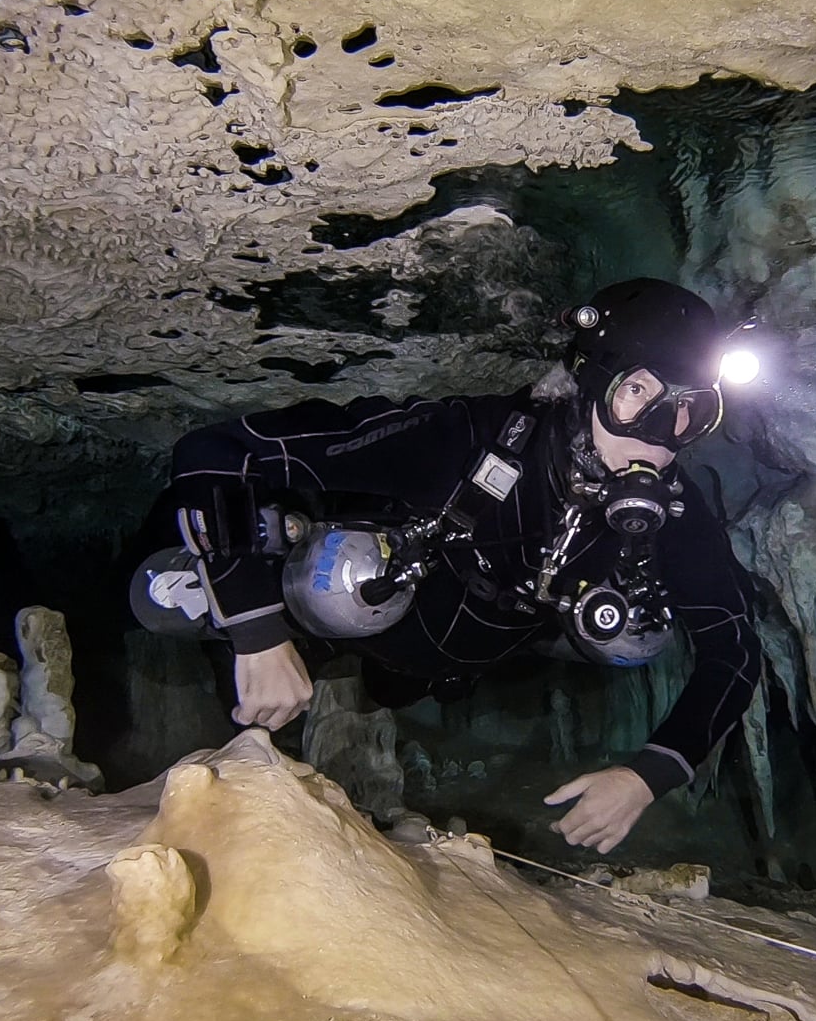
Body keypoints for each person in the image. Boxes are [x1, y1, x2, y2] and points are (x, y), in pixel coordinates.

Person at [134, 278, 762, 853]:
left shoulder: (673, 510)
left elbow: (732, 648)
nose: (661, 433)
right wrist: (258, 631)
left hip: (470, 663)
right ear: (592, 380)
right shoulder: (465, 439)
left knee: (630, 635)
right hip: (358, 611)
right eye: (639, 395)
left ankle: (384, 691)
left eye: (691, 410)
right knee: (156, 599)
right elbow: (217, 452)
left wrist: (649, 773)